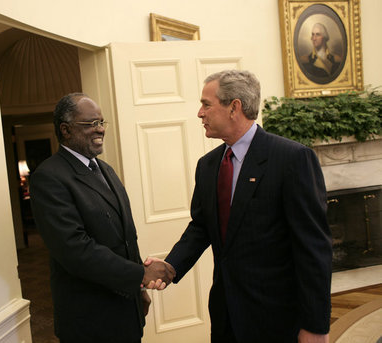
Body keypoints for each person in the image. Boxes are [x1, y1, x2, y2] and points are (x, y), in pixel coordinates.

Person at [147, 70, 332, 342]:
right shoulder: (208, 165)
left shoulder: (291, 159)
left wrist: (316, 326)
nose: (200, 113)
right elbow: (201, 228)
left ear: (234, 107)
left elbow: (314, 249)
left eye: (206, 104)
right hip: (226, 315)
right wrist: (170, 265)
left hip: (277, 319)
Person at [29, 93, 175, 343]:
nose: (100, 130)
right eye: (90, 124)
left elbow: (124, 237)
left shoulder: (105, 169)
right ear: (65, 130)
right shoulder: (49, 177)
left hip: (125, 310)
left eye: (101, 122)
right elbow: (75, 250)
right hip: (90, 320)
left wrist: (137, 289)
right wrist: (139, 275)